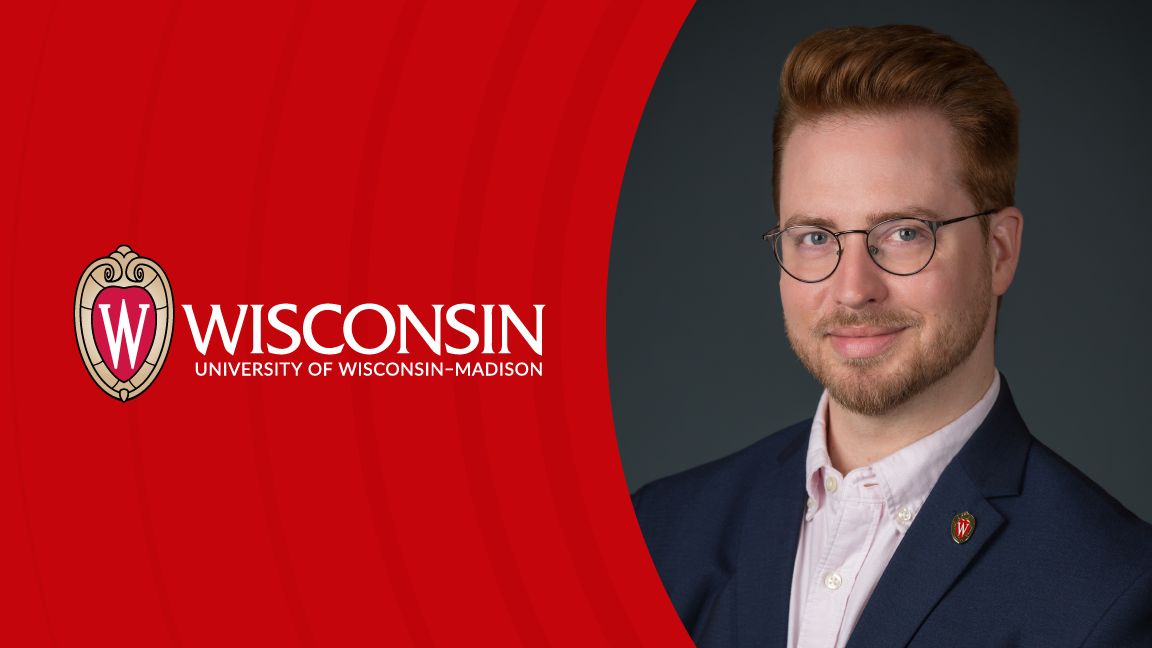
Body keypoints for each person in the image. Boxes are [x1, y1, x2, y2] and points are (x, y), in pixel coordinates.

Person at [631, 24, 1152, 647]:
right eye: (816, 236)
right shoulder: (656, 535)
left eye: (905, 233)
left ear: (1000, 251)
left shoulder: (1113, 590)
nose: (853, 289)